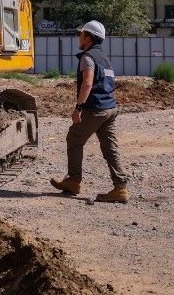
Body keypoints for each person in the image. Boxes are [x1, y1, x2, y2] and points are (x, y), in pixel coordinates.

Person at [50, 20, 129, 203]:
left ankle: (73, 181)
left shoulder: (88, 57)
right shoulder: (105, 58)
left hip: (95, 108)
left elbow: (87, 83)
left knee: (74, 139)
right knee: (111, 148)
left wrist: (78, 107)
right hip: (110, 108)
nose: (79, 37)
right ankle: (120, 188)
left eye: (81, 34)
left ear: (88, 37)